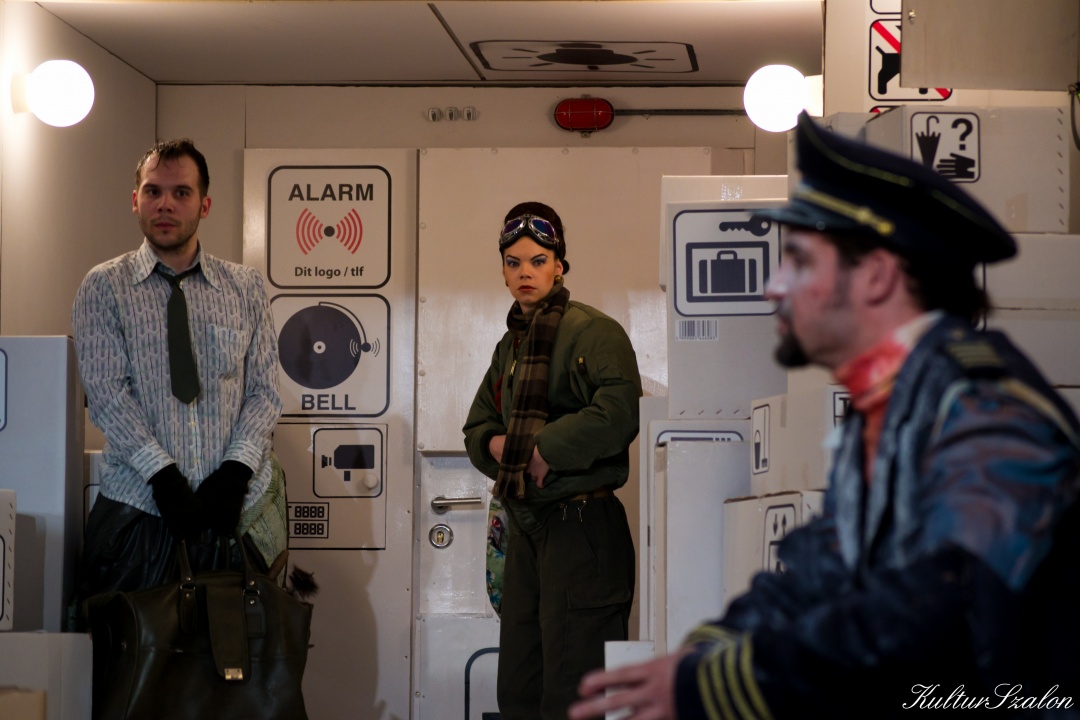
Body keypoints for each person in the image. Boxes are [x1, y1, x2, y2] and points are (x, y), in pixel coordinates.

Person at [569, 112, 1080, 719]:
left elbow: (931, 619)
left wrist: (718, 681)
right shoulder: (893, 407)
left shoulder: (984, 410)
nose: (774, 287)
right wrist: (706, 654)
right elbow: (820, 571)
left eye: (801, 262)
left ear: (876, 277)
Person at [72, 138, 287, 624]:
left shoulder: (245, 287)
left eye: (181, 193)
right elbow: (108, 395)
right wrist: (163, 478)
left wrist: (235, 471)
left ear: (204, 205)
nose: (165, 204)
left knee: (237, 661)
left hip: (237, 514)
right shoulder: (103, 287)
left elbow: (264, 392)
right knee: (133, 660)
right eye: (153, 191)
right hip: (138, 511)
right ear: (136, 201)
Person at [462, 201, 643, 719]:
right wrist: (499, 447)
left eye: (538, 260)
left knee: (574, 694)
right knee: (519, 691)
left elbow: (619, 410)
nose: (526, 272)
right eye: (514, 262)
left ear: (559, 265)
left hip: (582, 526)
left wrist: (544, 447)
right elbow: (477, 428)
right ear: (503, 271)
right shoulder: (509, 348)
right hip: (527, 526)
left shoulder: (594, 332)